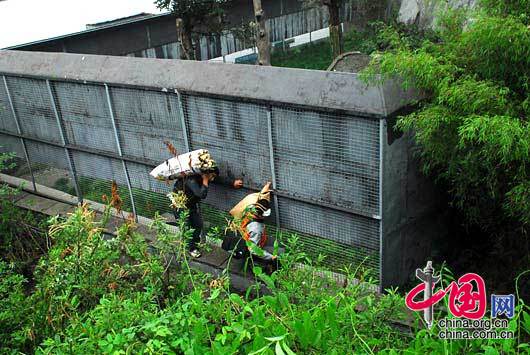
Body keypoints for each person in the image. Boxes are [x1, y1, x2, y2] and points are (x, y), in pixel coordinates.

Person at [172, 168, 243, 258]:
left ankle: (194, 245)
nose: (212, 179)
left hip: (191, 205)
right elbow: (201, 194)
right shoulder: (191, 180)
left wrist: (232, 182)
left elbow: (218, 179)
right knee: (186, 227)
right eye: (211, 176)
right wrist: (205, 181)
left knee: (197, 224)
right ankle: (190, 249)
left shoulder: (205, 176)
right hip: (180, 206)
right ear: (205, 174)